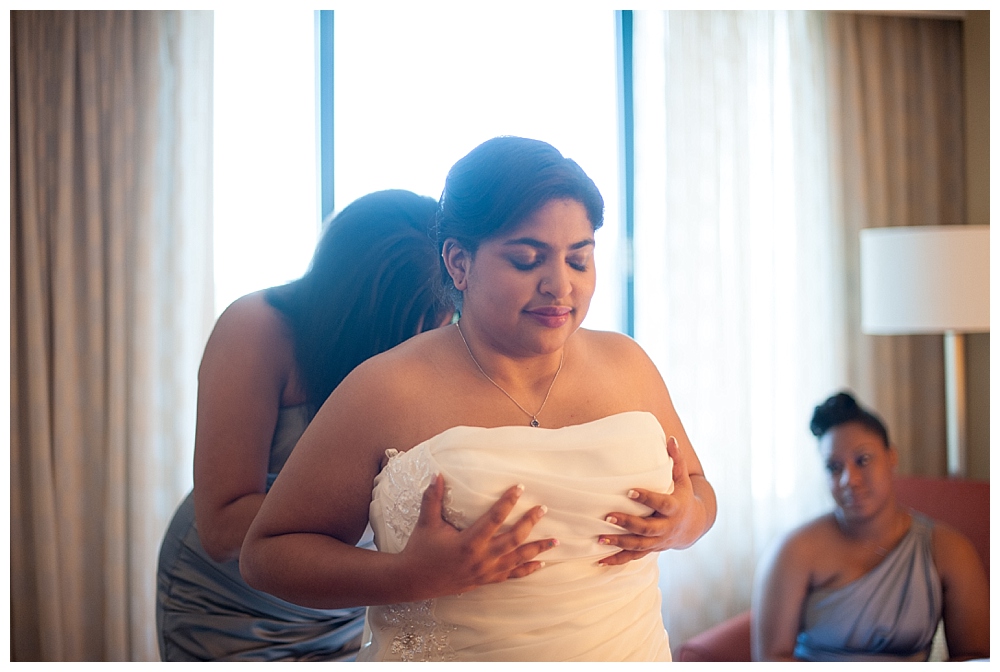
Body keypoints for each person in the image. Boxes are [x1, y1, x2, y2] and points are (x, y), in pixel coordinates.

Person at [240, 136, 718, 661]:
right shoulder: (387, 389)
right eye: (526, 260)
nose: (560, 286)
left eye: (579, 260)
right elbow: (266, 556)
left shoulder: (628, 365)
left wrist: (682, 523)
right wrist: (406, 575)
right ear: (459, 263)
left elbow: (698, 492)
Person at [155, 190, 457, 661]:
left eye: (446, 315)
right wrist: (382, 528)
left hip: (349, 595)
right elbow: (220, 523)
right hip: (232, 602)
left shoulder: (438, 343)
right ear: (361, 306)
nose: (429, 336)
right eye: (416, 317)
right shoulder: (256, 328)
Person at [751, 391, 989, 662]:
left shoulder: (949, 549)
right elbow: (771, 659)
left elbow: (975, 658)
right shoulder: (793, 551)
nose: (848, 480)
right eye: (834, 467)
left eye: (863, 460)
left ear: (891, 457)